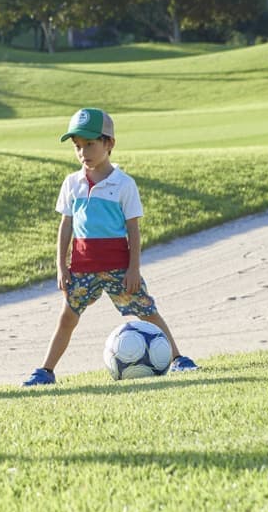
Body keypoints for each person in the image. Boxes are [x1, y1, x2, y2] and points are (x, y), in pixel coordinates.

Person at [23, 108, 197, 386]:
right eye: (77, 147)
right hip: (82, 269)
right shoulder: (72, 184)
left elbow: (133, 230)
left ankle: (178, 359)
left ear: (109, 144)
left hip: (119, 269)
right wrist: (61, 266)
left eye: (90, 144)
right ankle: (45, 371)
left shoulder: (124, 184)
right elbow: (66, 227)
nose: (83, 152)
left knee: (147, 311)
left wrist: (134, 269)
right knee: (67, 318)